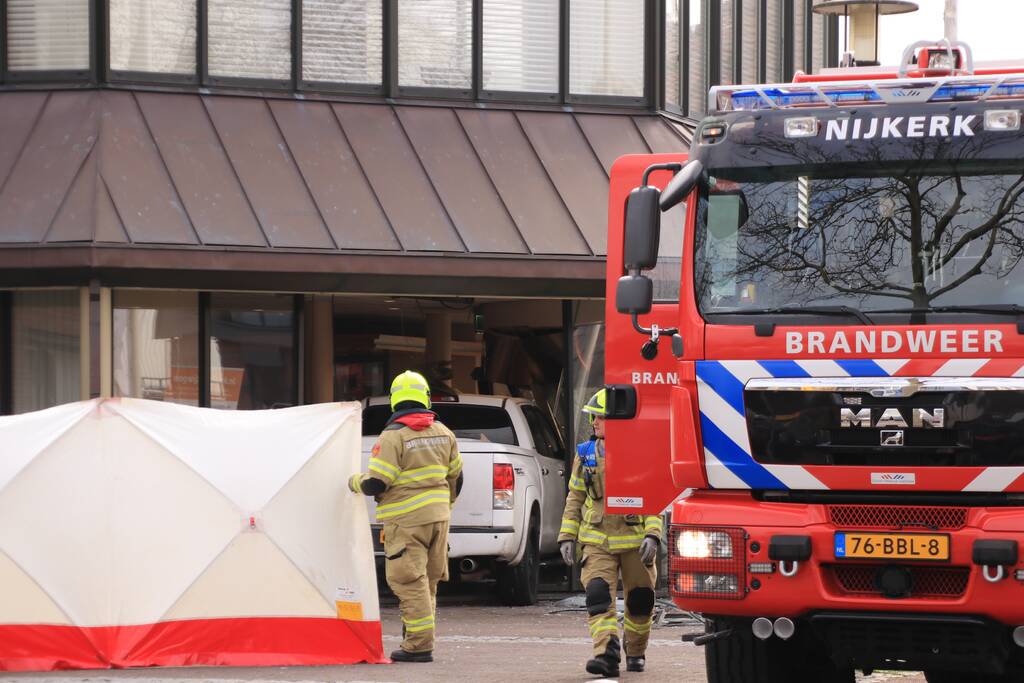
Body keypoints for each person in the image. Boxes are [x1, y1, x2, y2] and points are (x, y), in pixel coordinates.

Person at [349, 370, 463, 663]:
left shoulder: (393, 437)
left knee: (409, 582)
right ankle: (417, 636)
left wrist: (352, 482)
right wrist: (445, 506)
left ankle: (419, 645)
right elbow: (457, 478)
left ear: (394, 401)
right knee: (428, 581)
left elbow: (377, 483)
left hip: (405, 520)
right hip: (439, 518)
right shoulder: (444, 433)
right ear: (425, 398)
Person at [559, 389, 662, 677]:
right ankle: (606, 652)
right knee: (597, 596)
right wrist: (567, 536)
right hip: (597, 540)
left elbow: (654, 498)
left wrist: (653, 534)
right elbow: (575, 498)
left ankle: (636, 650)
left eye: (599, 417)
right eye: (593, 418)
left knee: (640, 600)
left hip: (635, 542)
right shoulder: (586, 455)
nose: (593, 423)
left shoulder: (642, 453)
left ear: (616, 421)